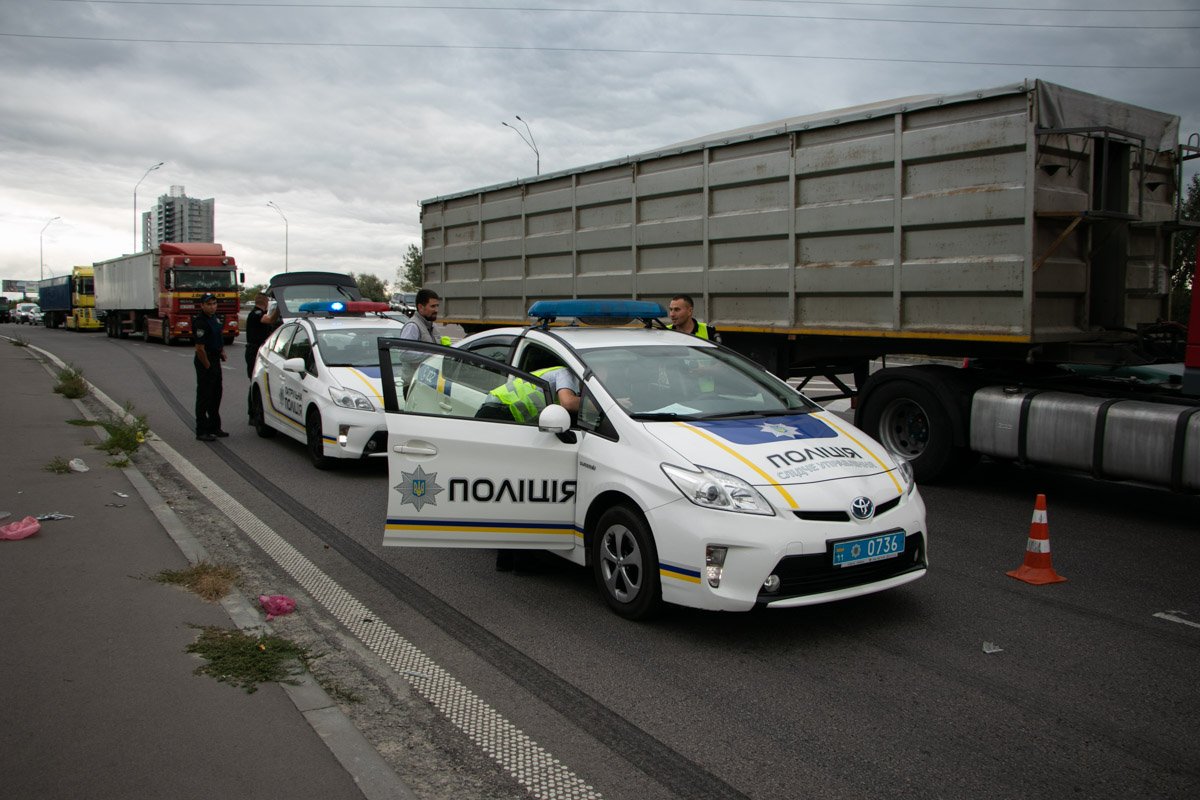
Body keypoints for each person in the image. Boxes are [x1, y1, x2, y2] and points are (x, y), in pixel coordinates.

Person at [192, 293, 227, 441]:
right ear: (202, 305)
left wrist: (222, 352)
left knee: (216, 394)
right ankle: (201, 431)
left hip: (215, 358)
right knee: (204, 396)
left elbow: (218, 337)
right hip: (205, 360)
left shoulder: (215, 318)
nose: (212, 307)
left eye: (214, 303)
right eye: (209, 304)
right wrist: (208, 366)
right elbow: (199, 349)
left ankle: (214, 427)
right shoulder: (200, 322)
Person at [244, 292, 280, 378]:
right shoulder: (257, 313)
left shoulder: (260, 313)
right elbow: (270, 320)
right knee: (256, 377)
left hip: (258, 349)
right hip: (254, 350)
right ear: (265, 301)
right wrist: (279, 307)